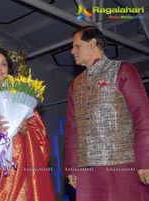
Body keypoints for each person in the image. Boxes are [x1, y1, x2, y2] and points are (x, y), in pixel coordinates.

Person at [65, 26, 149, 201]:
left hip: (122, 165)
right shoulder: (75, 84)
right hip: (86, 170)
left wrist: (145, 161)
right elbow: (72, 129)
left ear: (93, 43)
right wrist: (72, 167)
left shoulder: (123, 70)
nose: (72, 51)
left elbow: (142, 117)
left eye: (77, 46)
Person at [0, 47, 56, 201]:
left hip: (19, 162)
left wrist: (26, 129)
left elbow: (38, 133)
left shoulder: (20, 95)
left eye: (3, 64)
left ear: (8, 68)